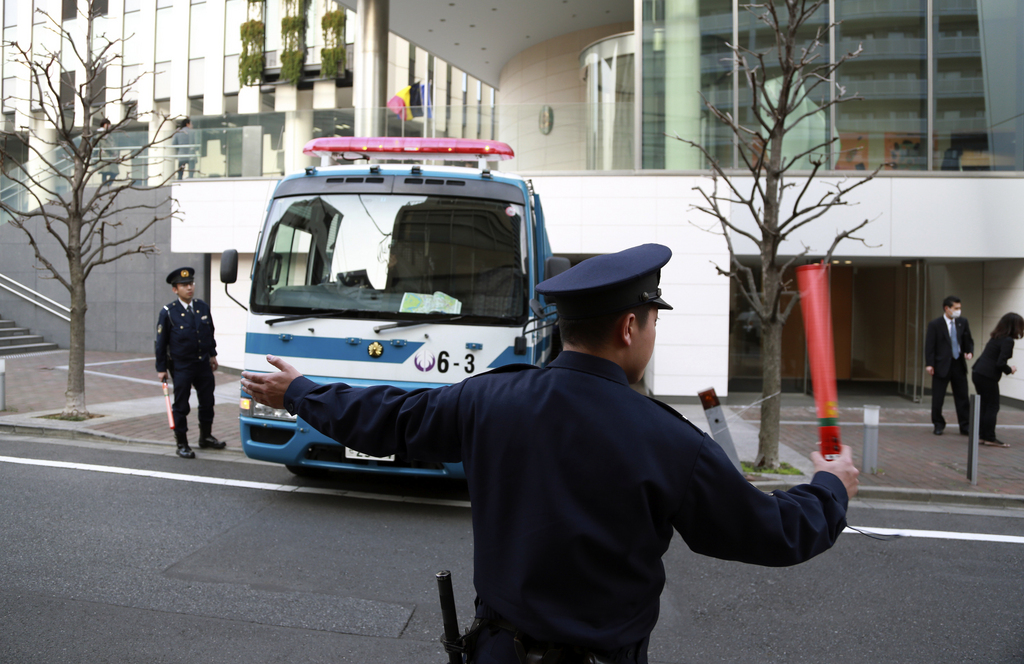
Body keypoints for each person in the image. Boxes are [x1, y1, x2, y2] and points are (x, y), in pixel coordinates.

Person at [240, 244, 859, 664]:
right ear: (628, 328)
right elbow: (768, 532)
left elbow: (390, 420)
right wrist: (831, 488)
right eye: (651, 319)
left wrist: (301, 391)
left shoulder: (491, 398)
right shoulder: (668, 439)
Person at [155, 267, 226, 458]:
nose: (189, 288)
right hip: (182, 365)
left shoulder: (201, 307)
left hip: (202, 363)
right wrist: (161, 368)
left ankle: (206, 437)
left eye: (191, 284)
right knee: (181, 405)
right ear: (175, 289)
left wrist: (212, 354)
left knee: (207, 401)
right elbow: (160, 342)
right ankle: (182, 443)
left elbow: (209, 332)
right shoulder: (169, 312)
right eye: (184, 285)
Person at [970, 312, 1023, 448]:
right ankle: (989, 437)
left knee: (984, 405)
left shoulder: (996, 337)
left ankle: (982, 435)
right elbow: (1000, 363)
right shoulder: (1008, 340)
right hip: (987, 376)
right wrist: (1009, 370)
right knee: (993, 406)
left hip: (978, 372)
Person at [925, 295, 974, 436]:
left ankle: (965, 426)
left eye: (960, 308)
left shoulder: (962, 322)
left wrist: (969, 351)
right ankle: (938, 424)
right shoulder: (935, 324)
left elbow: (968, 339)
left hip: (958, 363)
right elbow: (930, 345)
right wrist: (929, 364)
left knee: (962, 397)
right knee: (938, 397)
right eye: (956, 308)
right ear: (947, 308)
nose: (959, 311)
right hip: (941, 365)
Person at [98, 118, 118, 184]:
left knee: (113, 172)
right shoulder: (101, 133)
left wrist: (115, 152)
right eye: (109, 125)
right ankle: (105, 187)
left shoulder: (107, 134)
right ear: (105, 125)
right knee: (105, 172)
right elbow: (104, 145)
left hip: (110, 156)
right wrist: (113, 151)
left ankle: (106, 186)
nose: (109, 126)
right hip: (106, 156)